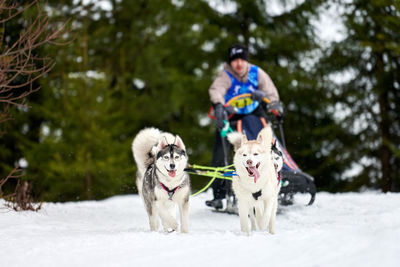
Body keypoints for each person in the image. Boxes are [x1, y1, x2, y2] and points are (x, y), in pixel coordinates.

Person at [205, 44, 284, 211]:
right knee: (221, 153)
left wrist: (265, 98)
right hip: (232, 119)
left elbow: (271, 94)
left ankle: (274, 180)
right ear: (230, 62)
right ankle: (219, 194)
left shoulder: (256, 73)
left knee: (266, 145)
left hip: (254, 117)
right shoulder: (226, 75)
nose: (239, 64)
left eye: (242, 60)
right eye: (235, 60)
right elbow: (216, 90)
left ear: (246, 61)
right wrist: (219, 105)